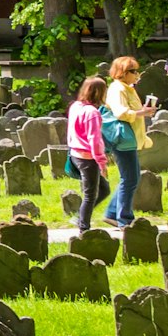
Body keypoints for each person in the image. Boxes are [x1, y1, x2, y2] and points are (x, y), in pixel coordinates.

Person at [101, 55, 156, 229]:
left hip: (129, 139)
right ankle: (124, 219)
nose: (137, 74)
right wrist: (143, 113)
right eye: (133, 71)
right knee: (130, 178)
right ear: (123, 73)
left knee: (131, 177)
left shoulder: (127, 88)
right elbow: (120, 112)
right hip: (122, 139)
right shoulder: (117, 89)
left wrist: (144, 111)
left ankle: (112, 214)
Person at [66, 76, 111, 231]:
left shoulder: (75, 106)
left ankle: (80, 217)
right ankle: (83, 228)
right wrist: (102, 163)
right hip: (87, 158)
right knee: (90, 195)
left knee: (104, 189)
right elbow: (94, 140)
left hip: (75, 154)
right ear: (99, 93)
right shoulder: (92, 113)